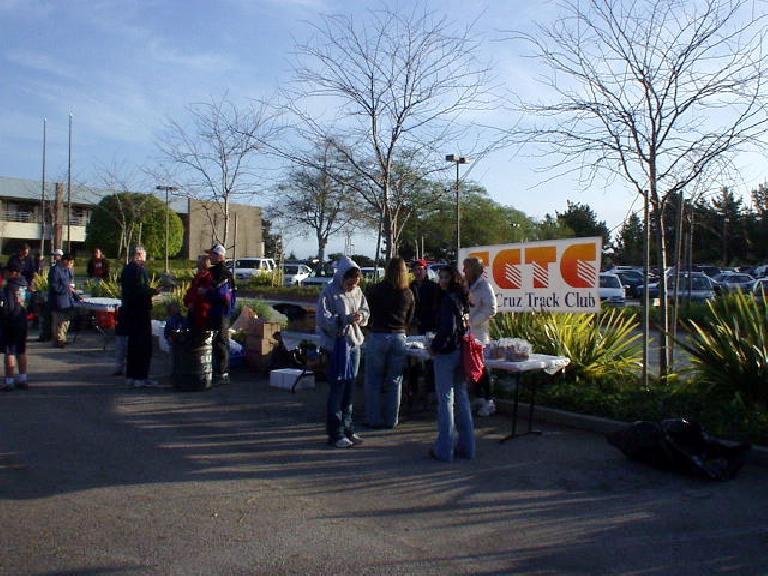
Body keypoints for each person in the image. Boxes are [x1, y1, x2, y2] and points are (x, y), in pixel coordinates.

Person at [317, 256, 369, 448]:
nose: (352, 286)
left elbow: (366, 311)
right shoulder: (329, 292)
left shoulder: (358, 292)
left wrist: (361, 316)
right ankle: (335, 433)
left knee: (349, 388)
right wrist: (344, 319)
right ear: (341, 277)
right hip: (336, 347)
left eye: (355, 282)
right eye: (349, 282)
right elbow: (323, 319)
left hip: (354, 344)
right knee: (337, 389)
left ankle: (348, 427)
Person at [429, 265, 475, 462]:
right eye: (441, 277)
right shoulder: (462, 299)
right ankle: (467, 447)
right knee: (462, 399)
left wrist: (435, 347)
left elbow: (447, 329)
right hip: (461, 351)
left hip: (447, 353)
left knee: (446, 401)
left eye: (446, 277)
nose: (442, 281)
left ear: (453, 279)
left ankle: (444, 448)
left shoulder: (448, 300)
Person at [364, 257, 414, 429]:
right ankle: (392, 419)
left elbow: (367, 312)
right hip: (399, 335)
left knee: (374, 380)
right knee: (395, 380)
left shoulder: (375, 290)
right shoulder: (407, 293)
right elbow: (410, 318)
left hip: (378, 334)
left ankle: (374, 418)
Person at [463, 257, 498, 417]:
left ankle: (489, 401)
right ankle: (478, 397)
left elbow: (491, 309)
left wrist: (473, 321)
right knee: (471, 367)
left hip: (479, 334)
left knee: (483, 367)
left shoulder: (485, 286)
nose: (464, 271)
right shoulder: (465, 285)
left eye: (467, 268)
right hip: (466, 333)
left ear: (476, 270)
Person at [121, 246, 158, 388]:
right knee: (143, 345)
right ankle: (141, 377)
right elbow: (142, 290)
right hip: (141, 311)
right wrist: (154, 291)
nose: (145, 260)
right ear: (139, 256)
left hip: (129, 310)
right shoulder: (140, 270)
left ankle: (131, 375)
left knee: (132, 344)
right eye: (144, 257)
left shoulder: (127, 269)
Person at [205, 244, 235, 386]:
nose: (210, 257)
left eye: (212, 254)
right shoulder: (214, 271)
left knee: (221, 342)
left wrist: (205, 292)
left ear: (219, 256)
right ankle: (216, 370)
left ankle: (223, 373)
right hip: (216, 311)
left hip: (221, 312)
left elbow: (223, 295)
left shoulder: (223, 273)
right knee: (215, 342)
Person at [0, 263, 29, 391]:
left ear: (14, 273)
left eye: (7, 271)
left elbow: (8, 307)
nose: (5, 274)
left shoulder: (8, 288)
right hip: (22, 320)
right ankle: (23, 378)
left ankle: (9, 381)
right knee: (21, 351)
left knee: (10, 352)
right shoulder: (24, 286)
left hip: (10, 322)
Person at [49, 251, 75, 348]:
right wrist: (66, 288)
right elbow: (54, 286)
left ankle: (63, 337)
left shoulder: (67, 270)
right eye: (70, 262)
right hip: (58, 299)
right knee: (58, 321)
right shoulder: (55, 270)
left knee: (66, 320)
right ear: (65, 261)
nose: (71, 265)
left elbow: (69, 282)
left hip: (67, 299)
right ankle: (58, 339)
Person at [410, 259, 440, 335]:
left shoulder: (433, 287)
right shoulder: (410, 287)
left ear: (425, 270)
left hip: (430, 326)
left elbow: (436, 307)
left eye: (420, 269)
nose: (417, 272)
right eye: (415, 269)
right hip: (414, 325)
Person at [184, 255, 213, 331]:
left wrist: (191, 301)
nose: (197, 265)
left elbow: (202, 293)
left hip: (201, 311)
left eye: (199, 263)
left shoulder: (208, 278)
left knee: (199, 333)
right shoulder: (198, 276)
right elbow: (192, 291)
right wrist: (188, 301)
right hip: (194, 309)